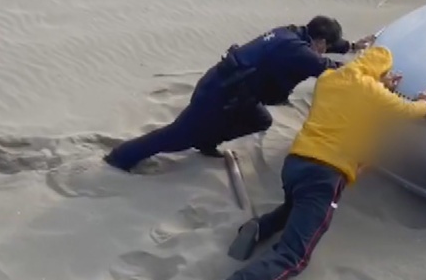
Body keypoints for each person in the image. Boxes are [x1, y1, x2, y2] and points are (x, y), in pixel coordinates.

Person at [178, 46, 426, 280]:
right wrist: (425, 100)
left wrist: (379, 83)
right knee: (293, 256)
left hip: (296, 163)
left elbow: (353, 102)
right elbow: (412, 110)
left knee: (295, 206)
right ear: (381, 72)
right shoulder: (373, 92)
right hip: (325, 175)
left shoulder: (329, 79)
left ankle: (258, 227)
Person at [103, 16, 375, 172]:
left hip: (232, 91)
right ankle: (119, 158)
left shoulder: (292, 33)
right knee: (175, 136)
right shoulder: (298, 52)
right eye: (326, 46)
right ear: (319, 42)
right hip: (219, 94)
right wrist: (375, 72)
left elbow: (326, 49)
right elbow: (334, 71)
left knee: (260, 120)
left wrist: (352, 45)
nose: (326, 49)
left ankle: (206, 141)